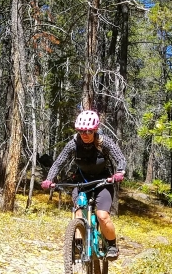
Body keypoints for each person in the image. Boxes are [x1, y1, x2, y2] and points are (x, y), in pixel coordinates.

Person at [41, 111, 126, 260]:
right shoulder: (73, 144)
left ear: (94, 130)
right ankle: (80, 244)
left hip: (103, 181)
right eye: (81, 131)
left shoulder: (103, 142)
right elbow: (59, 162)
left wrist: (119, 172)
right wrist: (49, 179)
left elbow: (120, 157)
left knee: (102, 216)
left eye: (88, 131)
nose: (84, 134)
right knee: (79, 212)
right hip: (81, 181)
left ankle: (112, 245)